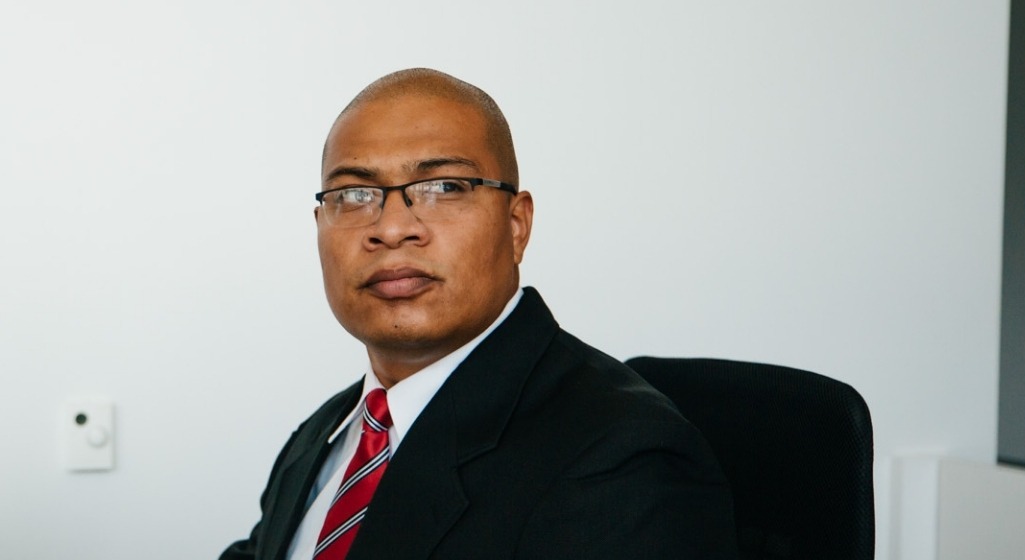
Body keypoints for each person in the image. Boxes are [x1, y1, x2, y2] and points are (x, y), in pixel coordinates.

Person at [221, 69, 738, 560]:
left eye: (444, 187)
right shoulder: (328, 435)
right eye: (354, 194)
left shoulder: (621, 461)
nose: (392, 227)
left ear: (517, 225)